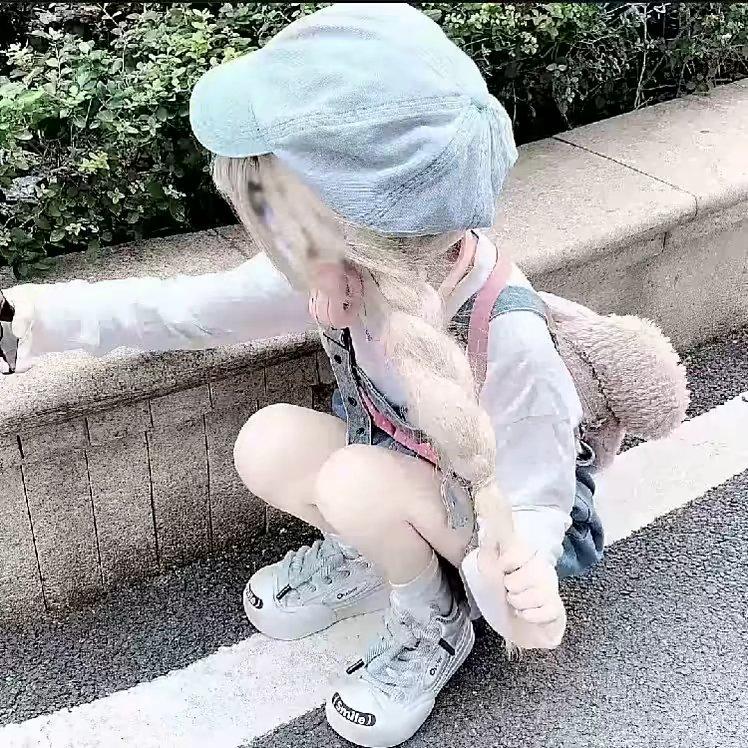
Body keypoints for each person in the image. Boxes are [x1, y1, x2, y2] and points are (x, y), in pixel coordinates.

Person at [0, 5, 607, 745]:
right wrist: (33, 318)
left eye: (268, 203)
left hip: (501, 526)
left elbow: (539, 494)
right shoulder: (334, 270)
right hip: (407, 482)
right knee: (269, 443)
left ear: (336, 218)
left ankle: (436, 620)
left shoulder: (506, 333)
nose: (255, 218)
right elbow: (189, 311)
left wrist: (524, 577)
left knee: (355, 480)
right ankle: (381, 554)